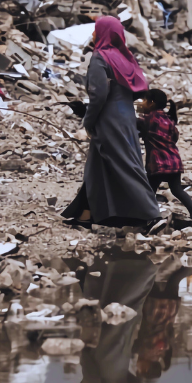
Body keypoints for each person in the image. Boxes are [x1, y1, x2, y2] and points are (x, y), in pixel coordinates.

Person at [62, 17, 166, 234]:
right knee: (98, 167)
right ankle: (85, 214)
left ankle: (152, 215)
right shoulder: (124, 57)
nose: (92, 35)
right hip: (126, 118)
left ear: (103, 33)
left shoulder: (100, 57)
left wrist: (88, 121)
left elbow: (98, 95)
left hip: (109, 120)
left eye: (95, 31)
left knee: (126, 166)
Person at [137, 89, 192, 224]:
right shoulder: (169, 119)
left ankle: (149, 218)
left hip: (158, 162)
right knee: (177, 189)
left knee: (149, 191)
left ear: (152, 103)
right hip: (174, 161)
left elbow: (132, 125)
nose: (141, 104)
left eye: (144, 101)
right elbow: (175, 138)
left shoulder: (148, 120)